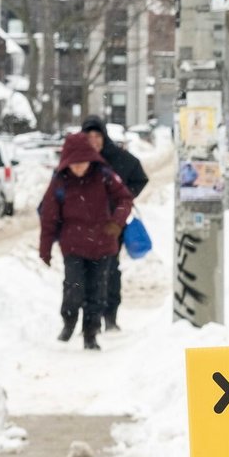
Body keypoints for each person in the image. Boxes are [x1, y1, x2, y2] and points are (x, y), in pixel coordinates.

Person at [38, 132, 134, 351]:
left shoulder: (104, 175)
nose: (79, 168)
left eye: (82, 163)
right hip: (73, 245)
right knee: (74, 288)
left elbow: (124, 199)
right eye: (74, 164)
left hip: (103, 244)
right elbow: (49, 216)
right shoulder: (60, 181)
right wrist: (45, 249)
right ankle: (69, 322)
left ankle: (90, 333)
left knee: (97, 293)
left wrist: (117, 222)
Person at [80, 116, 148, 331]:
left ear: (104, 137)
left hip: (111, 226)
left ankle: (110, 316)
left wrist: (123, 200)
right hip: (83, 226)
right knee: (85, 273)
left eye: (97, 136)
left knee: (109, 271)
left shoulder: (117, 158)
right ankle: (90, 319)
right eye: (88, 136)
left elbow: (139, 177)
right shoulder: (78, 159)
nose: (93, 141)